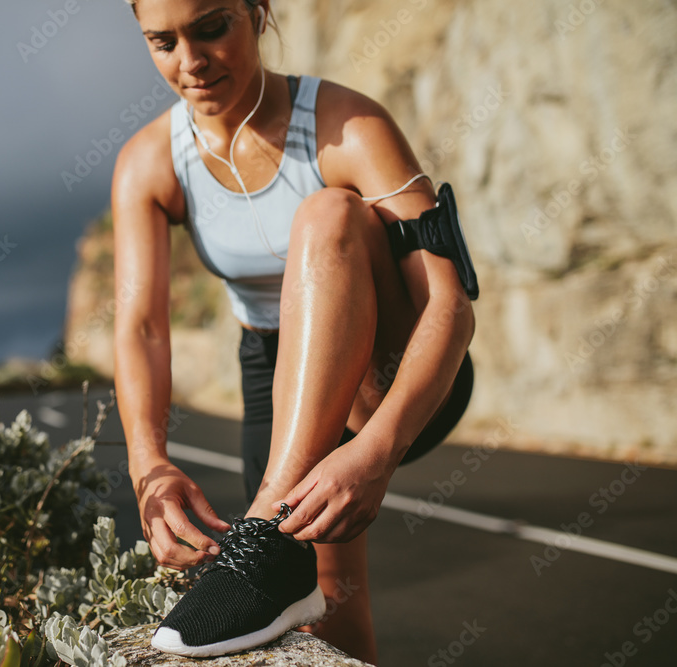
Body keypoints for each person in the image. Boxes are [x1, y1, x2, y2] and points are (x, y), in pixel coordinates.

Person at [110, 0, 476, 662]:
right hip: (273, 366)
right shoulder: (148, 163)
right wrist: (148, 466)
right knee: (329, 601)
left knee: (329, 215)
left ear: (258, 11)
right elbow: (141, 326)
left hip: (396, 362)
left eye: (212, 27)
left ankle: (268, 527)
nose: (190, 62)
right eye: (163, 42)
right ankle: (281, 551)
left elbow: (450, 306)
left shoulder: (347, 126)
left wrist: (378, 450)